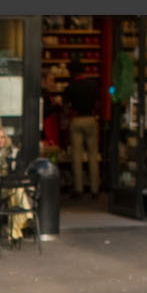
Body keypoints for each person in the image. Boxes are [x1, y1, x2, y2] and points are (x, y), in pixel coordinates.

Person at [63, 59, 105, 199]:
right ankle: (95, 189)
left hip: (77, 120)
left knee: (77, 156)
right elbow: (98, 104)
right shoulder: (93, 84)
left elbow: (66, 107)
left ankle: (79, 189)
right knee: (93, 155)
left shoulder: (71, 86)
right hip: (91, 119)